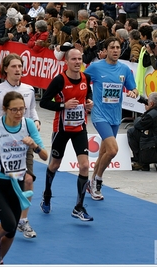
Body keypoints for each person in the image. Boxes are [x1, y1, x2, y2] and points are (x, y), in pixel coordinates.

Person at [0, 91, 47, 265]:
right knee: (9, 224)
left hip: (17, 184)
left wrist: (34, 146)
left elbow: (44, 155)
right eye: (14, 110)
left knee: (11, 232)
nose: (19, 113)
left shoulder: (28, 125)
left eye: (22, 109)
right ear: (4, 109)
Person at [0, 53, 41, 239]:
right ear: (5, 69)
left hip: (24, 145)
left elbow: (32, 111)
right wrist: (2, 128)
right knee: (4, 184)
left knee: (28, 180)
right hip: (2, 147)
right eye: (13, 66)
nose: (18, 70)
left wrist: (36, 122)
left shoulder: (29, 89)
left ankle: (23, 221)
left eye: (20, 66)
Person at [39, 48, 94, 220]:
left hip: (79, 128)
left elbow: (87, 95)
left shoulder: (86, 78)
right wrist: (63, 105)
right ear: (66, 62)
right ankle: (47, 194)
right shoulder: (59, 80)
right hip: (61, 129)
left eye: (80, 59)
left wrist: (89, 103)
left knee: (84, 166)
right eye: (74, 59)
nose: (78, 62)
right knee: (54, 165)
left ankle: (78, 207)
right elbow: (44, 102)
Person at [83, 36, 139, 201]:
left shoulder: (124, 69)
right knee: (113, 150)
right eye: (112, 47)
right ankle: (98, 180)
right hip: (100, 115)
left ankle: (91, 182)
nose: (115, 50)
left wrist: (132, 92)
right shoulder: (96, 67)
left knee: (104, 152)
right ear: (105, 50)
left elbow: (133, 88)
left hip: (115, 116)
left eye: (117, 47)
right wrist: (88, 98)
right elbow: (82, 82)